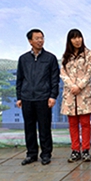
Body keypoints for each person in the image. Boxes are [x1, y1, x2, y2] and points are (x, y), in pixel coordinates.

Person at [16, 29, 60, 166]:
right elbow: (19, 79)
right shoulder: (23, 59)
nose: (40, 41)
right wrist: (19, 97)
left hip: (43, 98)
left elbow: (54, 79)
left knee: (44, 128)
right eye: (37, 38)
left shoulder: (50, 58)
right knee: (29, 128)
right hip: (27, 97)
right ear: (30, 41)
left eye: (42, 38)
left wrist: (53, 96)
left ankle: (46, 154)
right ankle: (31, 154)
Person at [60, 29, 91, 163]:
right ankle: (75, 150)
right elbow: (63, 73)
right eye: (74, 38)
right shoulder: (66, 56)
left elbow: (89, 72)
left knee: (85, 123)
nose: (77, 40)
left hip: (84, 94)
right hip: (70, 94)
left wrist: (79, 86)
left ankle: (86, 150)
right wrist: (71, 86)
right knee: (73, 124)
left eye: (79, 37)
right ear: (69, 40)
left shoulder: (89, 54)